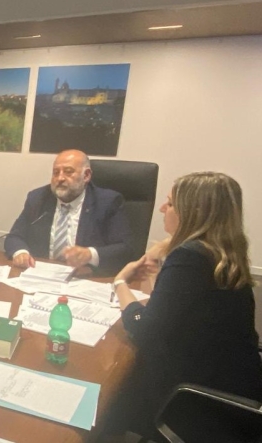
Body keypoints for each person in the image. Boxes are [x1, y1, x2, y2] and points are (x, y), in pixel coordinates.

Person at [107, 172, 262, 440]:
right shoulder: (221, 250)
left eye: (170, 203)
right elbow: (176, 310)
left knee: (113, 392)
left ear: (193, 212)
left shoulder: (190, 257)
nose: (162, 209)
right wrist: (161, 252)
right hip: (238, 388)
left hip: (199, 401)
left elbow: (143, 328)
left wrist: (120, 282)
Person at [4, 149, 132, 274]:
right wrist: (20, 252)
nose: (60, 178)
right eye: (56, 172)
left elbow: (125, 249)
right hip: (42, 275)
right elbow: (14, 236)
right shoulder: (38, 198)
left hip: (86, 277)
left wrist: (90, 254)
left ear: (86, 175)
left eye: (68, 172)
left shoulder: (107, 202)